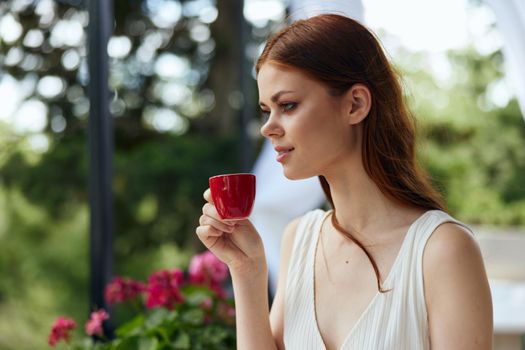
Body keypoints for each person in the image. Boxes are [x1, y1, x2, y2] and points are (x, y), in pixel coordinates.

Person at [196, 14, 493, 350]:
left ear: (355, 104)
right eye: (267, 110)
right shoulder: (299, 239)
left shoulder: (442, 250)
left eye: (288, 105)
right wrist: (247, 270)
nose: (268, 127)